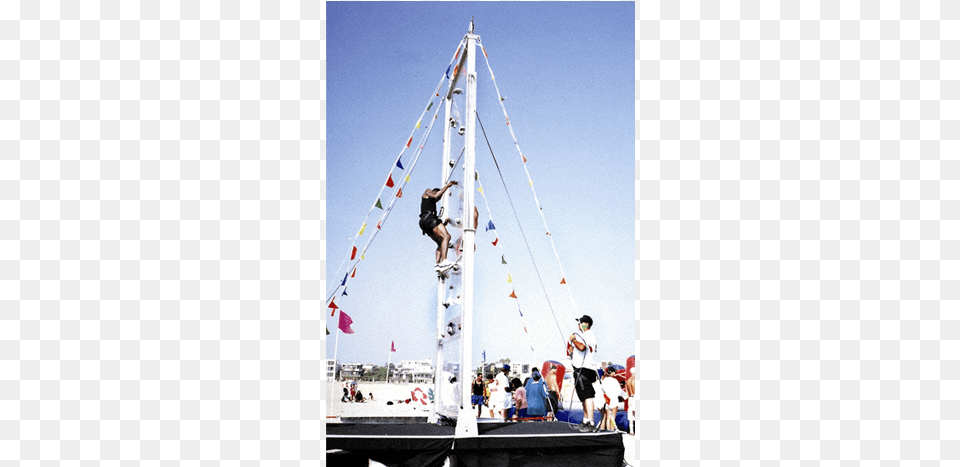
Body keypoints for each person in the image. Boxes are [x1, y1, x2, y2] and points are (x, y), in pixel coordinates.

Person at [567, 314, 598, 432]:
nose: (578, 325)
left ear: (586, 324)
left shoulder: (588, 335)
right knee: (583, 397)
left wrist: (573, 339)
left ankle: (590, 422)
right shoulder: (587, 336)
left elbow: (581, 347)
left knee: (587, 396)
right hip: (581, 368)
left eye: (580, 323)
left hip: (584, 369)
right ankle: (585, 420)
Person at [420, 180, 458, 271]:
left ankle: (437, 264)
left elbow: (435, 228)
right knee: (447, 236)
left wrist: (444, 224)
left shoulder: (430, 205)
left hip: (425, 223)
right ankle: (444, 261)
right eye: (439, 195)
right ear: (435, 191)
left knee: (441, 243)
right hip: (429, 219)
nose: (438, 199)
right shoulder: (428, 191)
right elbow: (435, 195)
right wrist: (448, 186)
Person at [599, 365, 624, 432]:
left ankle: (607, 429)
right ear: (612, 373)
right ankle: (612, 429)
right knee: (613, 417)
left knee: (608, 416)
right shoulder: (615, 381)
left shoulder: (603, 381)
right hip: (614, 400)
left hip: (607, 400)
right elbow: (619, 392)